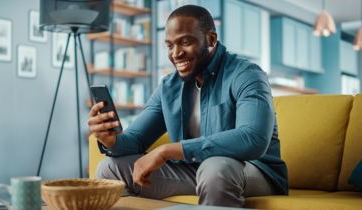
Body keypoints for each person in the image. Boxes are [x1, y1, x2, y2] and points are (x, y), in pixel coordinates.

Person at [88, 5, 288, 207]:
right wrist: (111, 140)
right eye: (169, 45)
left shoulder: (246, 74)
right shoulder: (169, 86)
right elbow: (136, 139)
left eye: (185, 42)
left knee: (215, 169)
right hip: (196, 170)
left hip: (254, 170)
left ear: (211, 39)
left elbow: (253, 138)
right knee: (110, 169)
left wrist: (169, 150)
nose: (176, 53)